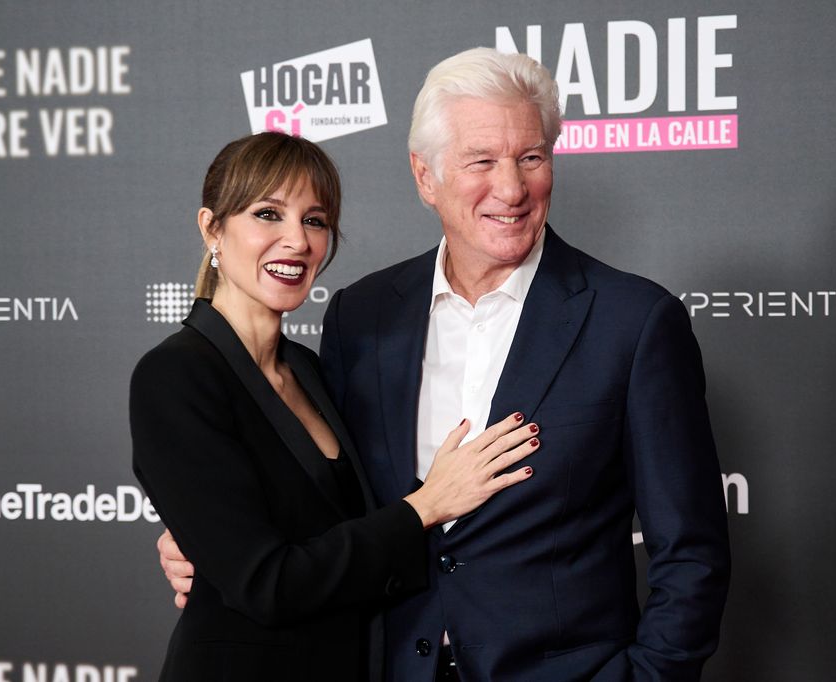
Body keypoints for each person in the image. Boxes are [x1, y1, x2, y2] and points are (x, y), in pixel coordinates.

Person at [161, 48, 730, 681]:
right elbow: (327, 502)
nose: (511, 189)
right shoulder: (364, 314)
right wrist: (213, 546)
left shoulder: (634, 321)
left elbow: (692, 553)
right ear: (425, 177)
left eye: (531, 158)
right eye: (481, 161)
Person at [131, 131, 540, 682]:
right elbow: (266, 583)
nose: (296, 241)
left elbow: (327, 528)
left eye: (315, 221)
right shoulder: (177, 374)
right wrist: (428, 505)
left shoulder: (309, 367)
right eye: (268, 214)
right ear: (212, 229)